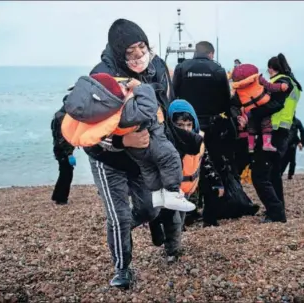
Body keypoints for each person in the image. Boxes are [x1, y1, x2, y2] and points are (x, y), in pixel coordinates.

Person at [54, 18, 178, 289]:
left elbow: (164, 109)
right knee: (119, 215)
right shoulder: (101, 75)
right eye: (130, 52)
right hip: (107, 155)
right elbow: (87, 129)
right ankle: (122, 268)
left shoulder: (156, 66)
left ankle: (124, 227)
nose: (138, 56)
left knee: (148, 208)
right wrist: (124, 142)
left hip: (142, 156)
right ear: (119, 52)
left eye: (141, 48)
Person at [61, 72, 196, 212]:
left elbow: (100, 138)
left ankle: (157, 196)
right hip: (152, 137)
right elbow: (148, 107)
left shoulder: (101, 116)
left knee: (148, 167)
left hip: (135, 149)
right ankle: (172, 193)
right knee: (170, 158)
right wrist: (141, 87)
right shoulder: (128, 112)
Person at [148, 99, 224, 262]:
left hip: (188, 189)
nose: (186, 129)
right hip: (169, 191)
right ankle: (172, 251)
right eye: (180, 125)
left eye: (189, 125)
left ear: (194, 124)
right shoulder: (167, 144)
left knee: (180, 220)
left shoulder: (198, 141)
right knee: (172, 220)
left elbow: (207, 163)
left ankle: (167, 237)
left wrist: (217, 182)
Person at [172, 41, 237, 222]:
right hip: (212, 125)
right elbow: (226, 100)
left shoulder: (182, 68)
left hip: (186, 125)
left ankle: (187, 213)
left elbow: (173, 96)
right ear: (211, 53)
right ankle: (210, 216)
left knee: (184, 167)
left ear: (195, 53)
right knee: (212, 167)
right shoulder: (217, 70)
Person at [239, 53, 302, 223]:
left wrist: (250, 113)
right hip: (284, 131)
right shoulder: (294, 84)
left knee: (259, 175)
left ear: (270, 69)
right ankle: (277, 207)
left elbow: (273, 105)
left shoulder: (279, 82)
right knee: (274, 173)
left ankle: (276, 212)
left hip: (271, 131)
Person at [231, 63, 288, 153]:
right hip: (263, 105)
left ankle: (250, 146)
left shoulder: (238, 88)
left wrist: (240, 116)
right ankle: (266, 144)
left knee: (251, 127)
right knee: (266, 125)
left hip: (250, 110)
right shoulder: (258, 79)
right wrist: (281, 86)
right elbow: (270, 86)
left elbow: (236, 102)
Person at [50, 109, 75, 205]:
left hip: (58, 147)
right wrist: (69, 154)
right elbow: (63, 137)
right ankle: (61, 198)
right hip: (63, 149)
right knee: (67, 173)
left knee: (64, 172)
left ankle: (57, 195)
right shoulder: (64, 117)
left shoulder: (58, 115)